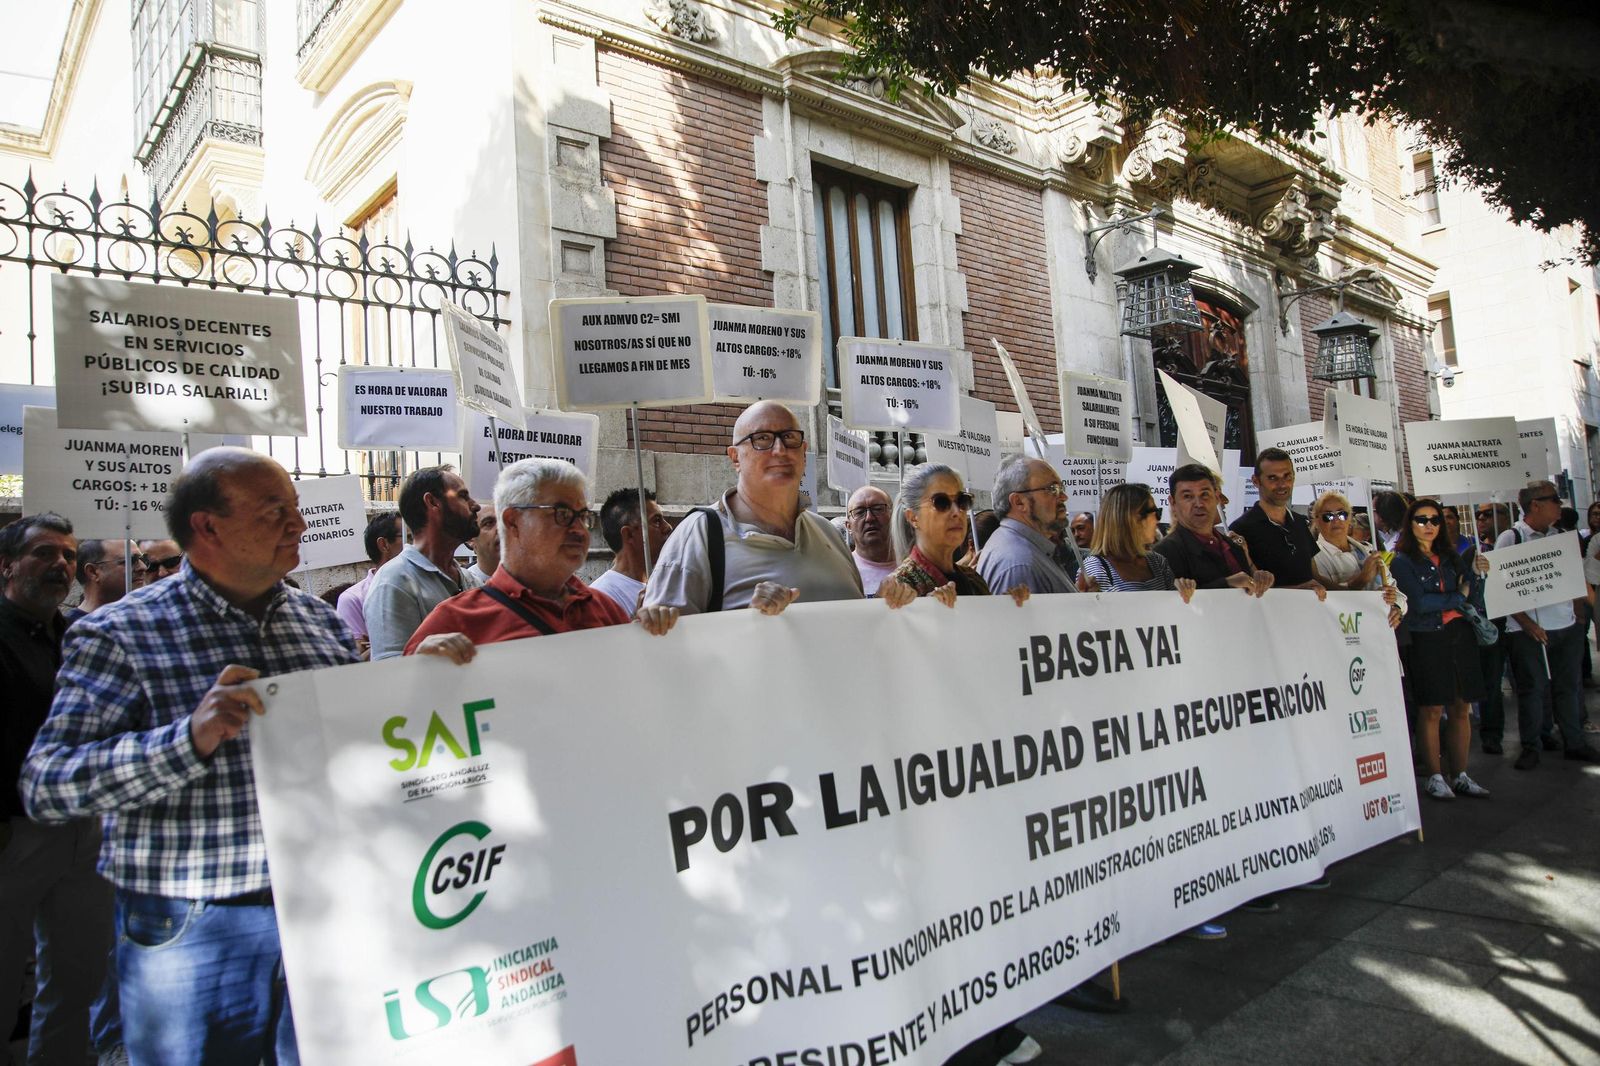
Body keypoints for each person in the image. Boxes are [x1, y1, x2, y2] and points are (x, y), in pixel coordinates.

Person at [21, 450, 429, 1064]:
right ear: (207, 527)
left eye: (296, 509)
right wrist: (187, 740)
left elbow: (361, 748)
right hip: (190, 928)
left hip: (323, 915)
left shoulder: (320, 625)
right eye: (274, 512)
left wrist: (424, 685)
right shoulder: (120, 633)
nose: (298, 525)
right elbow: (47, 784)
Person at [874, 464, 1039, 1066]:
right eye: (941, 502)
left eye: (963, 500)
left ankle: (996, 1021)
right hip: (937, 778)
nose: (957, 512)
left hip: (985, 764)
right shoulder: (900, 588)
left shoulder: (972, 582)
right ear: (913, 516)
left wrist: (1013, 615)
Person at [1, 514, 115, 1065]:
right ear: (7, 566)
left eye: (68, 555)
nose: (60, 565)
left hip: (81, 829)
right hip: (14, 832)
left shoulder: (75, 634)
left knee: (77, 975)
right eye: (44, 553)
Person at [405, 460, 675, 655]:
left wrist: (649, 640)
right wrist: (422, 668)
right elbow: (405, 706)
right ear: (513, 521)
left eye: (582, 516)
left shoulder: (605, 611)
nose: (580, 530)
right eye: (562, 514)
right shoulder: (456, 621)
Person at [644, 401, 862, 614]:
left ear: (803, 452)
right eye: (762, 438)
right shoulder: (699, 534)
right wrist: (750, 620)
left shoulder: (829, 533)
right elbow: (666, 635)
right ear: (735, 458)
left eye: (789, 437)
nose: (780, 450)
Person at [1390, 498, 1494, 799]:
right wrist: (1457, 597)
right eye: (1421, 520)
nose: (1429, 526)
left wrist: (1478, 575)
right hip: (1426, 637)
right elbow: (1418, 603)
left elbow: (1472, 596)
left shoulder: (1451, 556)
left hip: (1460, 634)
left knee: (1461, 707)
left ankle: (1460, 774)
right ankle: (1435, 776)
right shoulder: (1402, 561)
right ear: (1410, 524)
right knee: (1432, 708)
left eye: (1435, 520)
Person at [1495, 480, 1600, 767]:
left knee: (1569, 687)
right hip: (1526, 631)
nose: (1559, 505)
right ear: (1535, 505)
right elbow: (1501, 589)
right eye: (1554, 499)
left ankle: (1574, 742)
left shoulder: (1562, 536)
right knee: (1532, 688)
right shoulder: (1511, 538)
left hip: (1566, 626)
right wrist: (1527, 624)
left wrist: (1578, 616)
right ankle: (1531, 746)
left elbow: (1574, 578)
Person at [364, 465, 483, 659]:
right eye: (462, 496)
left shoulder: (472, 580)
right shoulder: (393, 581)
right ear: (433, 502)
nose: (475, 506)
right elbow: (389, 668)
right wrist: (420, 654)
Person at [1153, 464, 1273, 596]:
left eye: (1205, 494)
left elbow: (1249, 592)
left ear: (1216, 497)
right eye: (1187, 496)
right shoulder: (1163, 554)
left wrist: (1260, 580)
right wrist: (1227, 583)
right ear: (1173, 502)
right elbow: (1167, 602)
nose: (1199, 504)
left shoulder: (1234, 547)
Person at [1229, 448, 1326, 599]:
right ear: (1256, 481)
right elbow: (1244, 591)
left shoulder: (1300, 523)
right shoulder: (1241, 529)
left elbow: (1314, 578)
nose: (1282, 484)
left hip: (1309, 612)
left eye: (1287, 476)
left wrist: (1356, 588)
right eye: (1273, 478)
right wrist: (1298, 590)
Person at [978, 456, 1078, 596]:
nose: (1064, 497)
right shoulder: (1020, 564)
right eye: (1052, 489)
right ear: (1019, 502)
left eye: (1061, 488)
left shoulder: (1024, 550)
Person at [1309, 490, 1405, 627]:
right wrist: (1362, 578)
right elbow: (1327, 601)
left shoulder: (1368, 550)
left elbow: (1398, 594)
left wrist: (1396, 606)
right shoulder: (1314, 557)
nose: (1336, 520)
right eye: (1328, 516)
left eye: (1342, 514)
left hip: (1380, 628)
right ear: (1317, 521)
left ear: (1350, 518)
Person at [591, 488, 674, 618]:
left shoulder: (660, 585)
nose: (668, 527)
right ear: (629, 534)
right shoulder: (600, 597)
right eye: (657, 521)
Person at [335, 511, 403, 656]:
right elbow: (356, 659)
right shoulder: (353, 599)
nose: (415, 544)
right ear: (384, 544)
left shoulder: (425, 583)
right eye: (408, 537)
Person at [64, 539, 149, 623]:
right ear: (93, 572)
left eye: (143, 559)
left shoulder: (146, 620)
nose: (143, 567)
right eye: (131, 561)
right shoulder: (69, 628)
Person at [844, 486, 897, 596]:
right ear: (848, 526)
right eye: (859, 512)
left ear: (893, 516)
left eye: (878, 509)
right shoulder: (842, 573)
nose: (869, 518)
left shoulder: (918, 569)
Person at [464, 510, 501, 585]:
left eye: (504, 521)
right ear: (470, 539)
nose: (501, 528)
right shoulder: (460, 585)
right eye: (489, 523)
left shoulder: (525, 579)